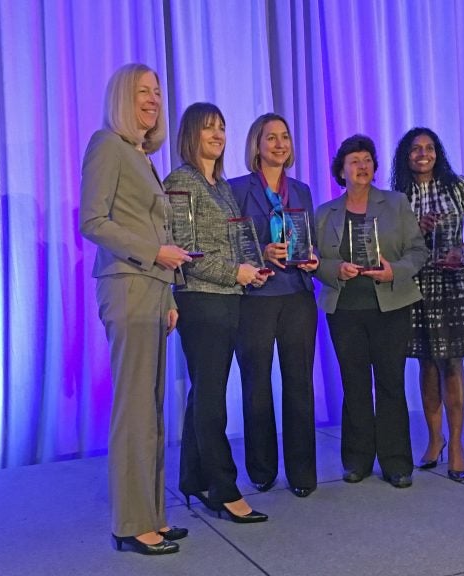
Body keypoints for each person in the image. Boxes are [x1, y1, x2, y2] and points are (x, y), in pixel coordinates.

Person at [79, 63, 191, 555]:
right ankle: (130, 523)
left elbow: (158, 232)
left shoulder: (141, 155)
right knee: (133, 409)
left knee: (152, 408)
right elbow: (92, 221)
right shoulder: (107, 145)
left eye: (157, 92)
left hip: (152, 290)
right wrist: (154, 257)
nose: (153, 99)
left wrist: (167, 293)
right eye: (143, 91)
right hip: (126, 286)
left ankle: (153, 516)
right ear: (123, 97)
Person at [166, 102, 270, 523]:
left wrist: (253, 268)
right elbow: (185, 254)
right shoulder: (180, 182)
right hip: (202, 301)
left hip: (228, 297)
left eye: (223, 128)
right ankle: (225, 489)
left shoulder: (221, 185)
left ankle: (194, 480)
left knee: (204, 394)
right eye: (209, 128)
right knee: (212, 399)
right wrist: (236, 272)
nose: (218, 135)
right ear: (191, 133)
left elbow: (236, 241)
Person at [314, 134, 428, 488]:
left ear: (374, 167)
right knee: (355, 385)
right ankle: (357, 460)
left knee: (391, 384)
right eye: (354, 161)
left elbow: (418, 252)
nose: (362, 166)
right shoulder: (325, 213)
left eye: (367, 160)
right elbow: (316, 262)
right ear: (341, 171)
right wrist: (336, 270)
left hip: (391, 306)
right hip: (345, 309)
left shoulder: (395, 204)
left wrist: (394, 269)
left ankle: (396, 463)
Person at [391, 127, 464, 482]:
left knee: (452, 362)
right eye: (416, 149)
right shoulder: (398, 195)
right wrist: (415, 229)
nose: (424, 153)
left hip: (454, 279)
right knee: (425, 363)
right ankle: (434, 440)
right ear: (406, 155)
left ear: (438, 152)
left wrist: (461, 250)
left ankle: (457, 446)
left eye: (430, 147)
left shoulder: (458, 185)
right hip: (417, 282)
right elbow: (391, 245)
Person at [228, 113, 319, 498]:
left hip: (297, 294)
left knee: (299, 384)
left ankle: (301, 473)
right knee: (256, 385)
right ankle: (262, 470)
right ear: (256, 145)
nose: (279, 144)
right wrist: (261, 251)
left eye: (284, 137)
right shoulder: (235, 189)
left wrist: (311, 259)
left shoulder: (301, 190)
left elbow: (308, 238)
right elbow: (231, 245)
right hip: (256, 299)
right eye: (271, 138)